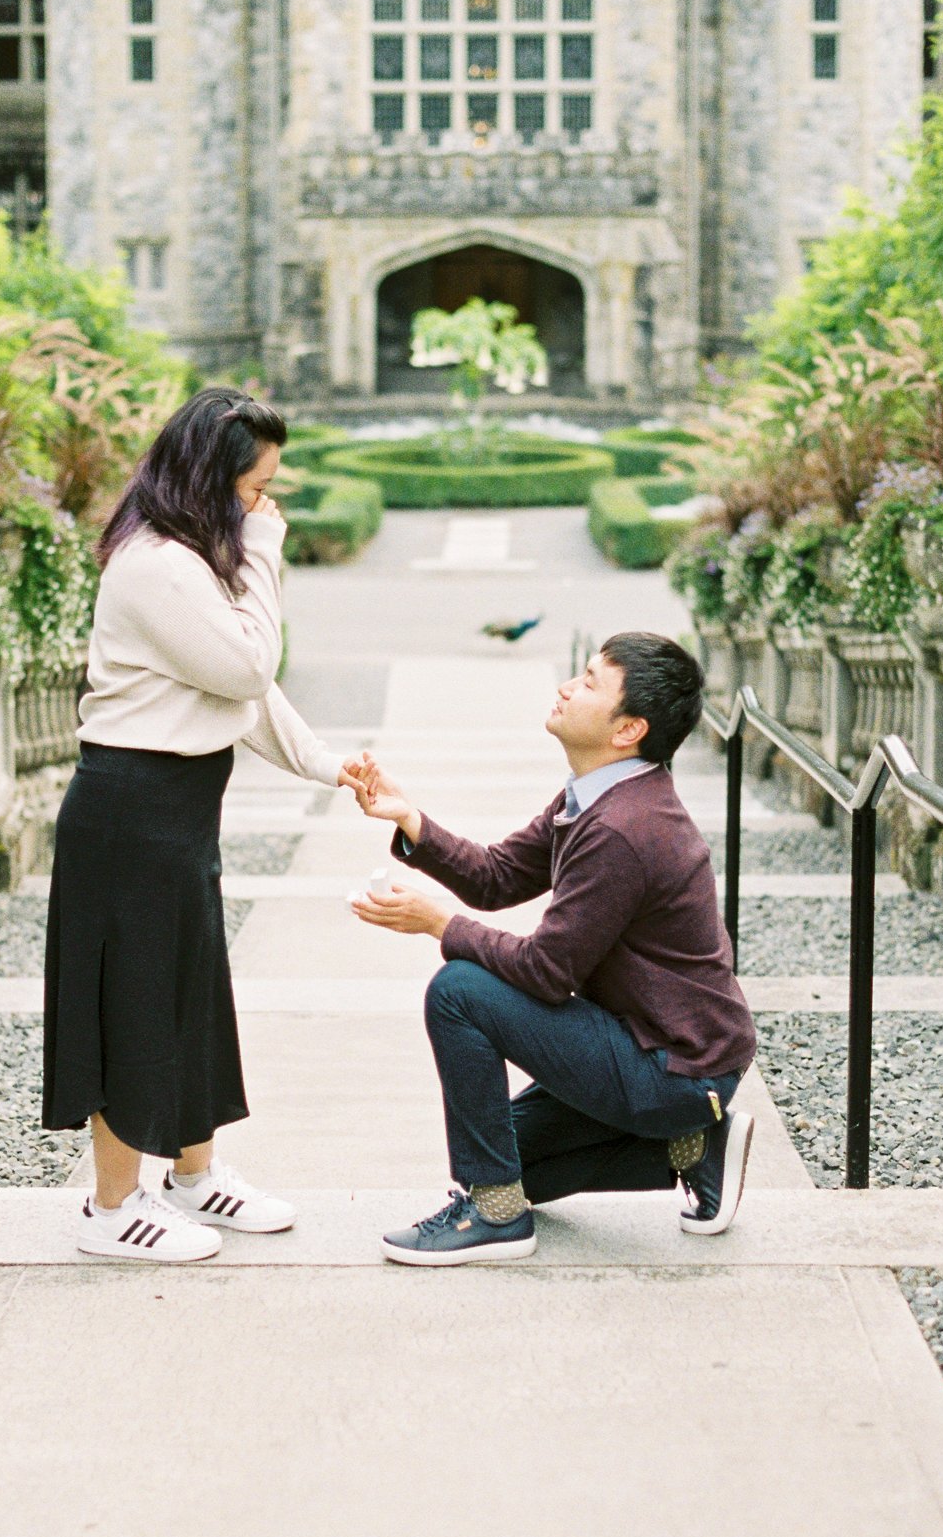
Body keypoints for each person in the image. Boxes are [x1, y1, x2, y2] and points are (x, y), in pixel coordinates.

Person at [44, 386, 367, 1262]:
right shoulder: (156, 565)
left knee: (190, 995)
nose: (266, 507)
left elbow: (243, 688)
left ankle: (193, 1177)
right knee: (134, 1001)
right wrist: (263, 552)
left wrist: (329, 765)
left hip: (177, 808)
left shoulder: (189, 557)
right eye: (256, 489)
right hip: (130, 808)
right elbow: (247, 661)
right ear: (209, 482)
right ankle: (112, 1209)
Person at [350, 632, 757, 1265]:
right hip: (655, 1052)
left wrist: (439, 926)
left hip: (674, 1066)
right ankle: (693, 1147)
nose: (568, 687)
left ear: (629, 730)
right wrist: (412, 822)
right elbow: (496, 876)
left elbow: (545, 971)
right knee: (506, 1158)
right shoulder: (598, 794)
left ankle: (494, 1218)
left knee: (459, 991)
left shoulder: (625, 827)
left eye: (591, 682)